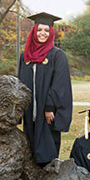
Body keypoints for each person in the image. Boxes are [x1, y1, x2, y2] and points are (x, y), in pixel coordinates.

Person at [18, 12, 73, 166]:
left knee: (47, 153)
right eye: (40, 30)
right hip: (30, 112)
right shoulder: (25, 57)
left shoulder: (57, 56)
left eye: (46, 31)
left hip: (47, 114)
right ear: (34, 31)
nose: (43, 33)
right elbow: (20, 83)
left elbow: (59, 84)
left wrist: (49, 106)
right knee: (29, 151)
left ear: (51, 34)